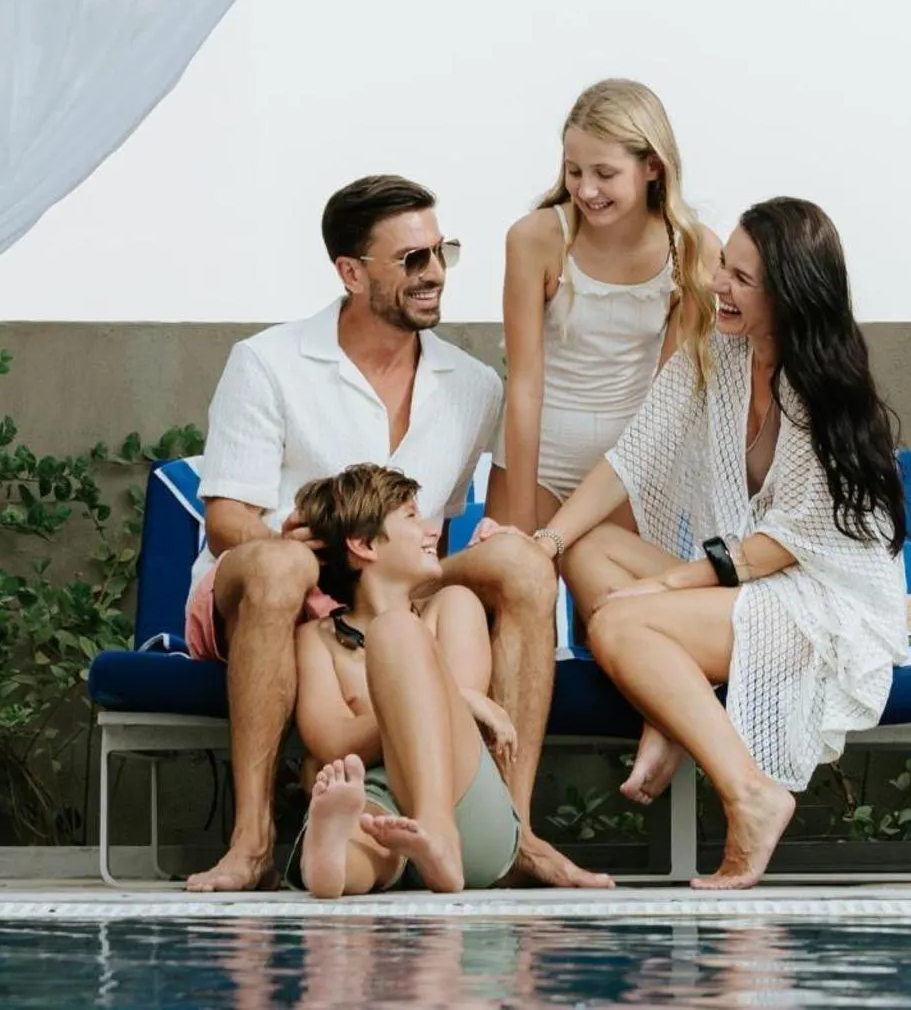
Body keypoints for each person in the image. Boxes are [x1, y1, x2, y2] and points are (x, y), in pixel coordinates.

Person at [182, 173, 610, 892]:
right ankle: (251, 837)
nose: (435, 273)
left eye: (441, 252)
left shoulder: (472, 385)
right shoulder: (269, 362)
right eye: (412, 259)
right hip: (282, 580)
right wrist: (296, 541)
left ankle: (514, 831)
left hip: (399, 588)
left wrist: (503, 549)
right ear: (351, 273)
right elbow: (226, 520)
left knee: (522, 565)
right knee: (280, 569)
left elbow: (474, 526)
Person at [529, 197, 911, 889]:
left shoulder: (826, 389)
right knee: (588, 551)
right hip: (746, 577)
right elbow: (631, 456)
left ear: (791, 293)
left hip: (819, 600)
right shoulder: (716, 357)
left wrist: (663, 587)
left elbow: (785, 545)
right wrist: (547, 540)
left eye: (741, 278)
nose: (717, 286)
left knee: (617, 621)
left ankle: (751, 795)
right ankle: (668, 710)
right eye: (721, 267)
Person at [489, 79, 721, 537]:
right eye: (574, 171)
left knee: (610, 604)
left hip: (628, 461)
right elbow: (525, 385)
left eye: (605, 173)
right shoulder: (535, 238)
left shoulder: (694, 248)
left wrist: (633, 474)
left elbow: (667, 397)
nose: (586, 189)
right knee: (518, 589)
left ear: (653, 167)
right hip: (537, 456)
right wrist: (520, 523)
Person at [287, 464, 521, 897]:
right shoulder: (314, 639)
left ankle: (438, 830)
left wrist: (428, 699)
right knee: (362, 825)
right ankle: (331, 862)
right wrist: (421, 700)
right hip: (379, 798)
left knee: (395, 630)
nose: (433, 531)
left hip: (465, 807)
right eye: (412, 517)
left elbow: (462, 724)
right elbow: (333, 742)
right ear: (364, 544)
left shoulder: (452, 606)